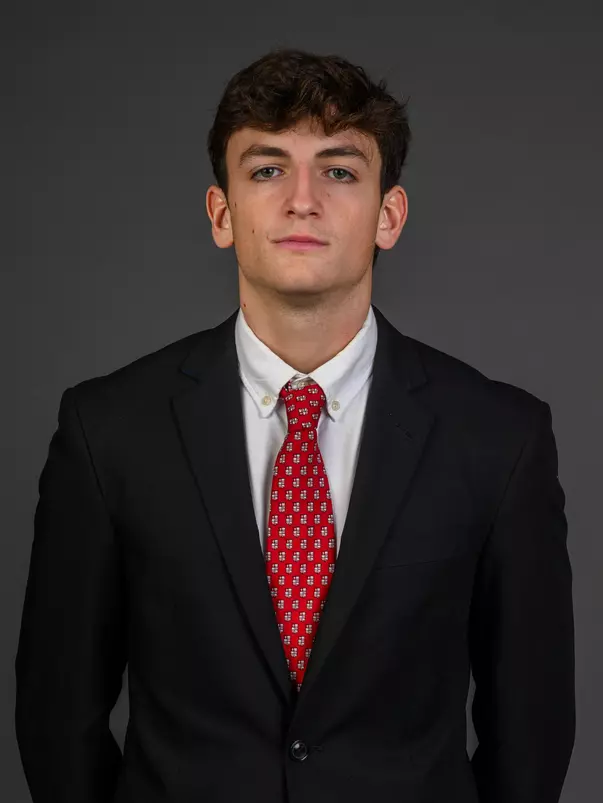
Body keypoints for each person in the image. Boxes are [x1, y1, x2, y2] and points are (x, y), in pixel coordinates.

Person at [15, 47, 575, 803]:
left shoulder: (499, 438)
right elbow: (57, 717)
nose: (301, 200)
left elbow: (531, 731)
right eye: (267, 169)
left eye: (338, 170)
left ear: (388, 216)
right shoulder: (108, 430)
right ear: (222, 214)